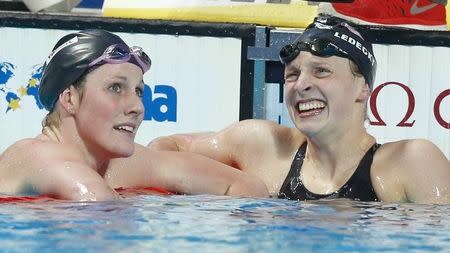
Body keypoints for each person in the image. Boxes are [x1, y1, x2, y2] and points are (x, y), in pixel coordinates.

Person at [149, 16, 450, 203]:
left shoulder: (410, 162)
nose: (300, 85)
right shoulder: (261, 146)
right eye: (292, 74)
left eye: (321, 71)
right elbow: (165, 149)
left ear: (363, 89)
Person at [0, 29, 268, 201]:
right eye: (115, 88)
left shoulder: (120, 164)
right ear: (69, 98)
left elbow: (247, 186)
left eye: (139, 91)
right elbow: (101, 213)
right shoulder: (36, 156)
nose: (137, 107)